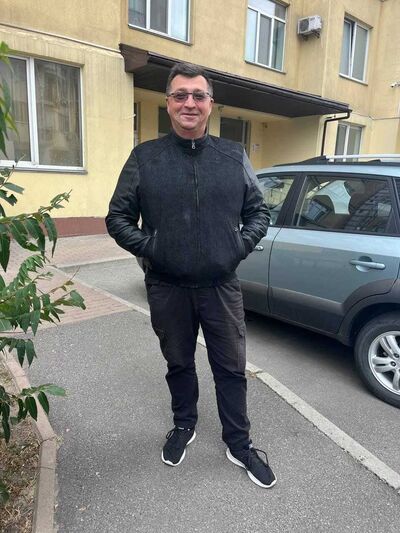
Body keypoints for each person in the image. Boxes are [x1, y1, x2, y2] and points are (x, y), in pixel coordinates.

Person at [106, 62, 276, 489]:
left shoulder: (233, 156)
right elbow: (117, 218)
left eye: (198, 95)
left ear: (210, 104)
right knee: (178, 362)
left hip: (221, 286)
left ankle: (239, 443)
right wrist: (152, 249)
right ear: (168, 103)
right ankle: (184, 424)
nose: (189, 103)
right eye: (180, 95)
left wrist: (237, 247)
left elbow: (259, 212)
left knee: (231, 368)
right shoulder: (145, 158)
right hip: (168, 287)